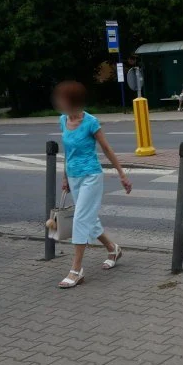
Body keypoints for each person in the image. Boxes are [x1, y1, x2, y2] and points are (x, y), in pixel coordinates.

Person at [52, 81, 132, 288]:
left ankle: (76, 270)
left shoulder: (90, 122)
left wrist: (122, 174)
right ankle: (113, 249)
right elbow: (68, 152)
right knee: (89, 219)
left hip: (91, 176)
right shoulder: (63, 120)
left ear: (72, 101)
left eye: (62, 99)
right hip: (74, 177)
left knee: (80, 219)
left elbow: (106, 149)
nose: (58, 103)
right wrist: (64, 177)